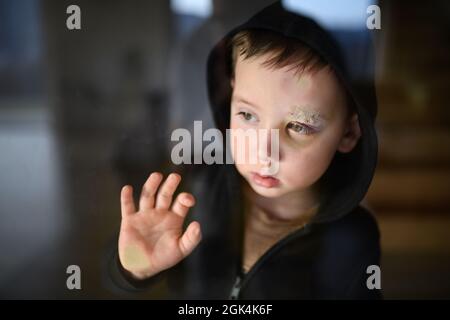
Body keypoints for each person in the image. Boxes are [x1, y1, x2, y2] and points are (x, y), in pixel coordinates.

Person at [107, 1, 381, 299]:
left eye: (299, 126)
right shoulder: (195, 192)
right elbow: (122, 272)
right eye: (248, 116)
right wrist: (136, 267)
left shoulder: (351, 239)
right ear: (231, 97)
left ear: (349, 132)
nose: (263, 154)